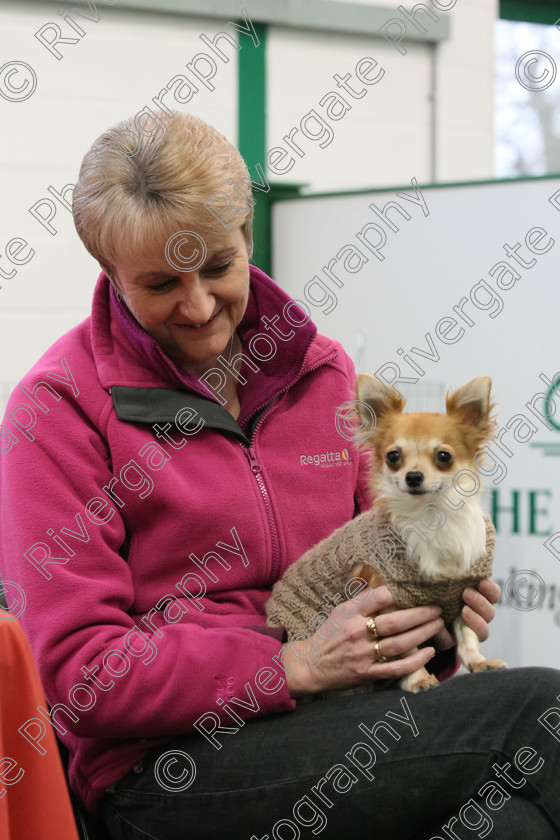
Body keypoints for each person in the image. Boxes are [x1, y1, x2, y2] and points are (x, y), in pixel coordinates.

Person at [1, 110, 559, 840]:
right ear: (109, 274)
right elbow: (80, 677)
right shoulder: (58, 411)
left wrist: (438, 623)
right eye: (163, 283)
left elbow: (377, 572)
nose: (199, 307)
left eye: (218, 268)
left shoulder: (323, 374)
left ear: (249, 238)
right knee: (537, 714)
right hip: (167, 767)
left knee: (510, 824)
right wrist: (288, 665)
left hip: (347, 715)